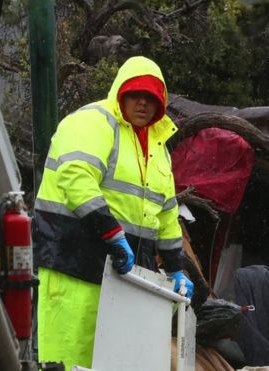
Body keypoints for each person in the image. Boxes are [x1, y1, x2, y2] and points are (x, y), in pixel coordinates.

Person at [32, 56, 194, 369]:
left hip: (122, 276)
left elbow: (166, 212)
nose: (143, 104)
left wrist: (176, 268)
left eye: (151, 98)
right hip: (74, 266)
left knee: (114, 361)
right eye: (136, 95)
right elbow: (75, 177)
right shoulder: (92, 122)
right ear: (120, 93)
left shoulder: (156, 147)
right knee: (69, 359)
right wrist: (112, 234)